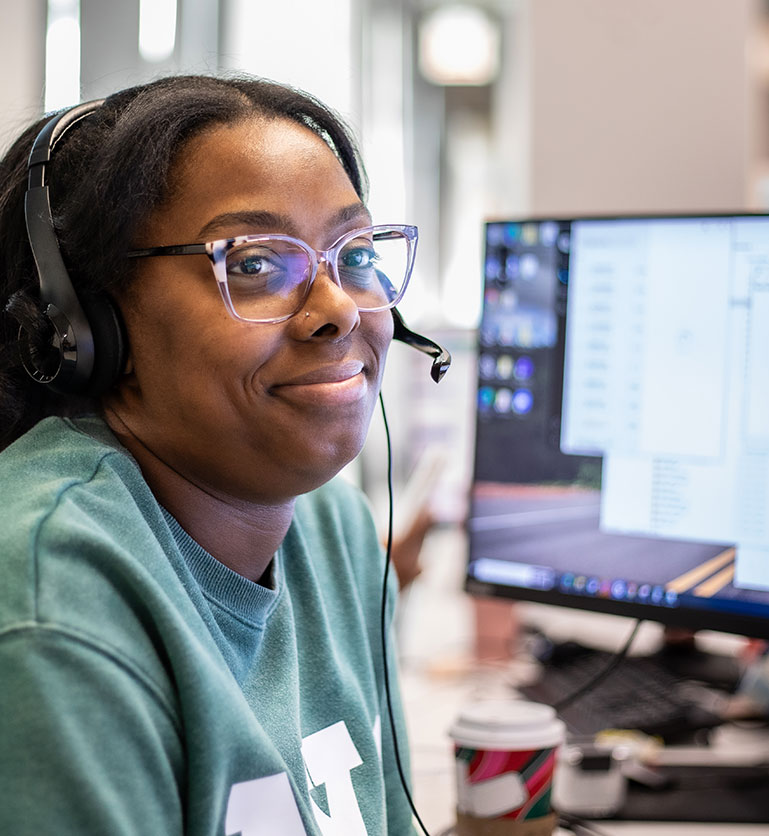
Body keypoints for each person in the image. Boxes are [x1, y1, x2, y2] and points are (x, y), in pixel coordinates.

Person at [0, 74, 427, 834]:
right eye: (255, 264)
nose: (337, 310)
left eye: (354, 252)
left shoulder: (334, 529)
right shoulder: (51, 609)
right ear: (89, 324)